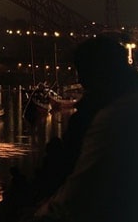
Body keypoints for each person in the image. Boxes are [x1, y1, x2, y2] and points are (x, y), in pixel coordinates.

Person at [30, 36, 138, 221]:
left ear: (99, 74)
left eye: (83, 73)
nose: (80, 81)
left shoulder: (111, 118)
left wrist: (39, 215)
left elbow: (80, 187)